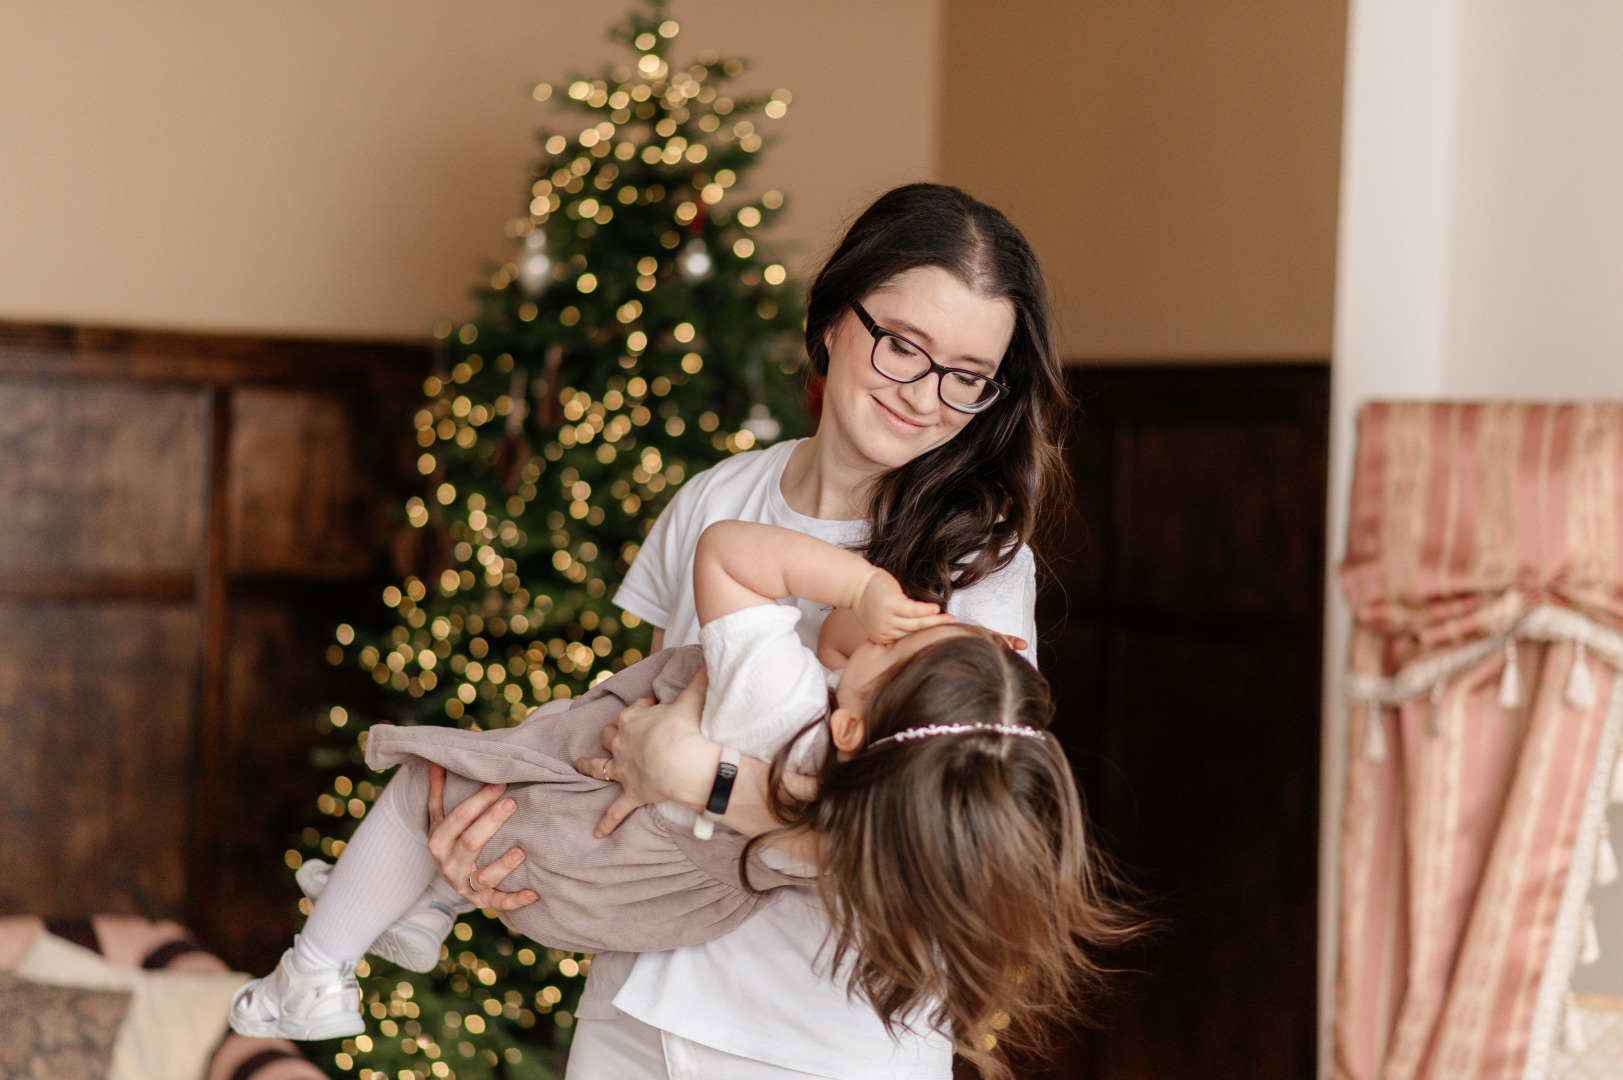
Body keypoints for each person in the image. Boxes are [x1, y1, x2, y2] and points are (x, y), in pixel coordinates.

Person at [429, 182, 1074, 1080]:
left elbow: (943, 844)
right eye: (902, 348)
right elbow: (623, 752)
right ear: (832, 321)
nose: (926, 396)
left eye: (966, 375)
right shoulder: (713, 500)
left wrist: (708, 779)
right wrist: (488, 858)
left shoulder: (984, 566)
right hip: (636, 1002)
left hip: (821, 1043)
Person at [228, 521, 1113, 1075]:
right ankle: (428, 899)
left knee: (430, 780)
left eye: (919, 634)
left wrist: (862, 591)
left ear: (853, 728)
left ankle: (312, 973)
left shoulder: (784, 696)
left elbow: (728, 553)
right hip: (650, 937)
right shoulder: (897, 788)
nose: (917, 614)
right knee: (465, 820)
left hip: (625, 887)